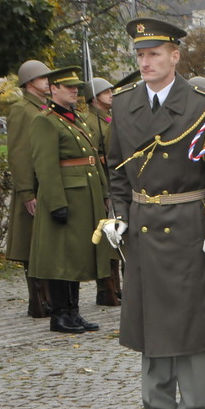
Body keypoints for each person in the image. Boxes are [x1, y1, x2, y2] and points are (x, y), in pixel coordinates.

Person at [105, 17, 205, 409]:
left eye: (155, 54)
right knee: (151, 322)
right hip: (143, 226)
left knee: (191, 320)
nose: (146, 62)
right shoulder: (124, 103)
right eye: (140, 55)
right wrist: (118, 214)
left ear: (175, 56)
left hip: (188, 224)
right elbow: (117, 168)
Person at [27, 67, 110, 334]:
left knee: (75, 257)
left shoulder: (76, 119)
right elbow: (45, 166)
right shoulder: (46, 121)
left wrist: (103, 191)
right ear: (54, 89)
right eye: (69, 87)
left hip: (83, 196)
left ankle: (74, 312)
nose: (75, 90)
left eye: (76, 87)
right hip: (65, 196)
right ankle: (60, 314)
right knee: (60, 259)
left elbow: (91, 158)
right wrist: (56, 202)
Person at [6, 59, 52, 317]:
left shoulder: (45, 107)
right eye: (42, 77)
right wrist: (26, 192)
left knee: (47, 244)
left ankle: (50, 298)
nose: (48, 81)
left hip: (47, 185)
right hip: (33, 187)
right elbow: (19, 153)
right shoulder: (21, 110)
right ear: (29, 82)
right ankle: (38, 301)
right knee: (32, 245)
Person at [85, 76, 121, 307]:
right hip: (104, 181)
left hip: (115, 180)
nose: (111, 95)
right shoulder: (90, 121)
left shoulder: (108, 119)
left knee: (117, 237)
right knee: (107, 237)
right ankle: (107, 287)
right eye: (106, 92)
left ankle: (116, 287)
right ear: (93, 98)